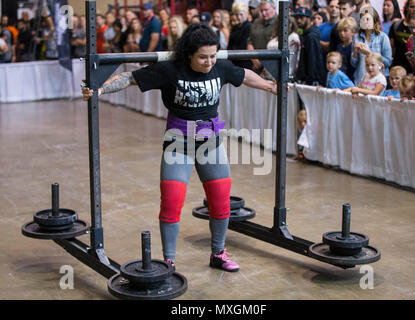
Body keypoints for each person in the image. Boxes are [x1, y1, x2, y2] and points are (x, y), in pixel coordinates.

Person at [81, 24, 279, 272]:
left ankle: (218, 253)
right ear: (189, 54)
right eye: (203, 57)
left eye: (213, 56)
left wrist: (271, 87)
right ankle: (168, 262)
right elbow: (129, 78)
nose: (209, 62)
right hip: (178, 142)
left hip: (210, 142)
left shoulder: (220, 67)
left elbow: (243, 75)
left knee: (221, 201)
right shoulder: (169, 69)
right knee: (172, 202)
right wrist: (98, 89)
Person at [350, 6, 392, 85]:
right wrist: (355, 52)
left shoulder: (383, 37)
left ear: (375, 20)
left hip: (377, 82)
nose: (364, 22)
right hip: (360, 79)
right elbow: (353, 64)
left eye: (367, 19)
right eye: (362, 19)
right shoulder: (356, 37)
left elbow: (388, 62)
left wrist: (369, 53)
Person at [389, 0, 415, 74]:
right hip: (397, 64)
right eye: (412, 6)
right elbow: (391, 46)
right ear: (407, 7)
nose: (414, 9)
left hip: (413, 68)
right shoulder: (397, 24)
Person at [294, 6, 325, 85]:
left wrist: (312, 80)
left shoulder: (311, 36)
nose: (298, 20)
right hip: (306, 79)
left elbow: (313, 60)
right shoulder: (305, 35)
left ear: (309, 19)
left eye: (301, 17)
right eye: (297, 18)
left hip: (311, 81)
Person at [247, 0, 277, 74]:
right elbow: (249, 42)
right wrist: (254, 59)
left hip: (273, 65)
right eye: (261, 10)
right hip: (256, 64)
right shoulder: (256, 22)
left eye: (266, 10)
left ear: (274, 8)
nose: (263, 13)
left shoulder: (280, 22)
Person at [227, 2, 252, 69]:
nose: (239, 17)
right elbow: (230, 44)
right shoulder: (235, 27)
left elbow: (244, 45)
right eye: (237, 14)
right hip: (234, 59)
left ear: (246, 14)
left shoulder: (249, 26)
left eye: (241, 14)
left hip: (244, 60)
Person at [336, 17, 356, 82]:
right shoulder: (339, 47)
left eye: (345, 30)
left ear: (352, 32)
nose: (342, 33)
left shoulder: (354, 47)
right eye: (340, 31)